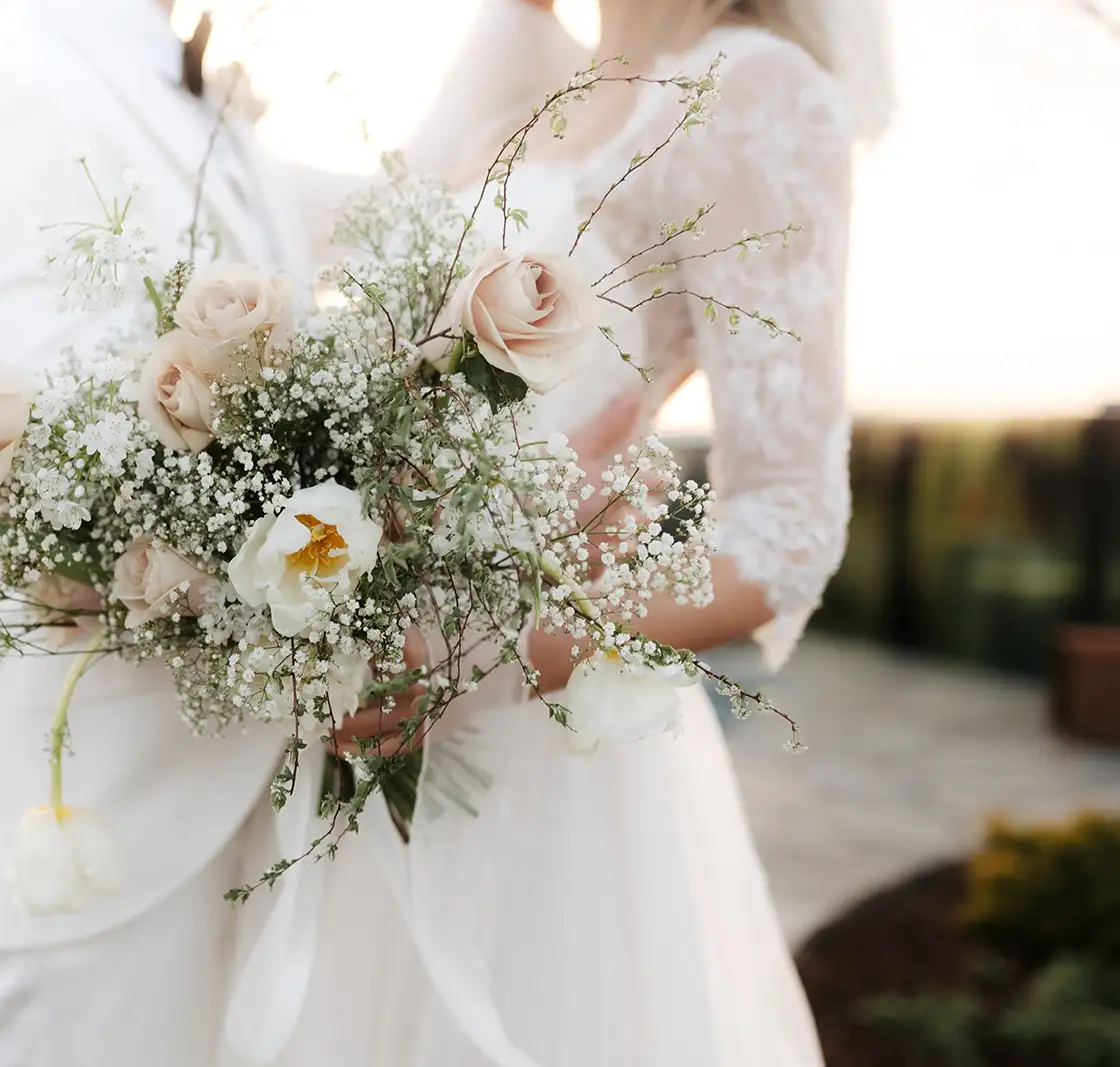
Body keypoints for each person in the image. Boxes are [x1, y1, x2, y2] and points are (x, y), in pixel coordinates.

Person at [222, 1, 894, 1065]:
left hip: (545, 749)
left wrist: (473, 657)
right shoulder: (519, 72)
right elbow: (323, 237)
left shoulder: (752, 87)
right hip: (371, 739)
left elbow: (788, 526)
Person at [0, 2, 307, 1064]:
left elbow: (424, 201)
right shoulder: (0, 87)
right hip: (100, 826)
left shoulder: (207, 104)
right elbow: (44, 453)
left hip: (288, 809)